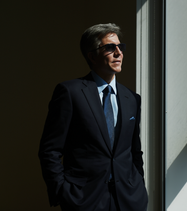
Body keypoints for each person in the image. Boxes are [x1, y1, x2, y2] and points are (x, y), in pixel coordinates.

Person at [38, 23, 148, 211]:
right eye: (110, 48)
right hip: (84, 199)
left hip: (129, 199)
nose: (118, 53)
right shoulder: (70, 92)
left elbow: (134, 151)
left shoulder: (132, 98)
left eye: (120, 47)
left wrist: (139, 186)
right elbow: (50, 150)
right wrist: (63, 192)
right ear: (92, 55)